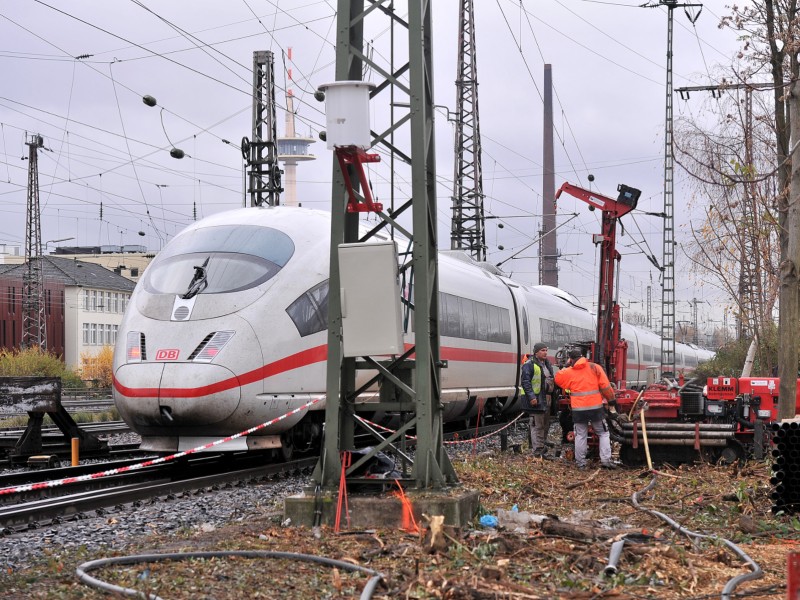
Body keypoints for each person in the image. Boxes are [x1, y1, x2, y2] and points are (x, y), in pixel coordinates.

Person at [554, 348, 618, 470]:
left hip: (579, 410)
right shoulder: (594, 367)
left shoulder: (569, 371)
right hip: (595, 408)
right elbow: (605, 386)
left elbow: (557, 378)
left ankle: (581, 464)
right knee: (603, 433)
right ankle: (605, 460)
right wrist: (611, 399)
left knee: (580, 435)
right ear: (583, 356)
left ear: (571, 359)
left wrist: (567, 365)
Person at [520, 342, 555, 457]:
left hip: (546, 400)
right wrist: (531, 397)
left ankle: (541, 448)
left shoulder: (547, 364)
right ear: (536, 352)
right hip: (536, 400)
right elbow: (525, 382)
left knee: (545, 425)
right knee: (537, 425)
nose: (545, 352)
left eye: (546, 350)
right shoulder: (529, 364)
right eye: (542, 350)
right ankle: (537, 451)